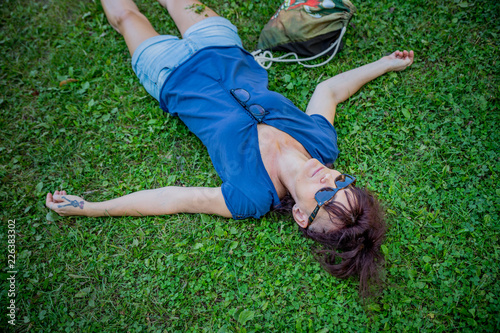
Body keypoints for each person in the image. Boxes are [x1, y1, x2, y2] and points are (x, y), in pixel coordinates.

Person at [46, 0, 414, 294]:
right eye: (342, 184)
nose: (329, 180)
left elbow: (172, 199)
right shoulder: (321, 143)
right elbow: (328, 92)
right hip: (220, 44)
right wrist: (381, 65)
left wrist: (90, 208)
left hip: (169, 74)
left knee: (125, 15)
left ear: (301, 216)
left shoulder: (252, 196)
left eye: (325, 198)